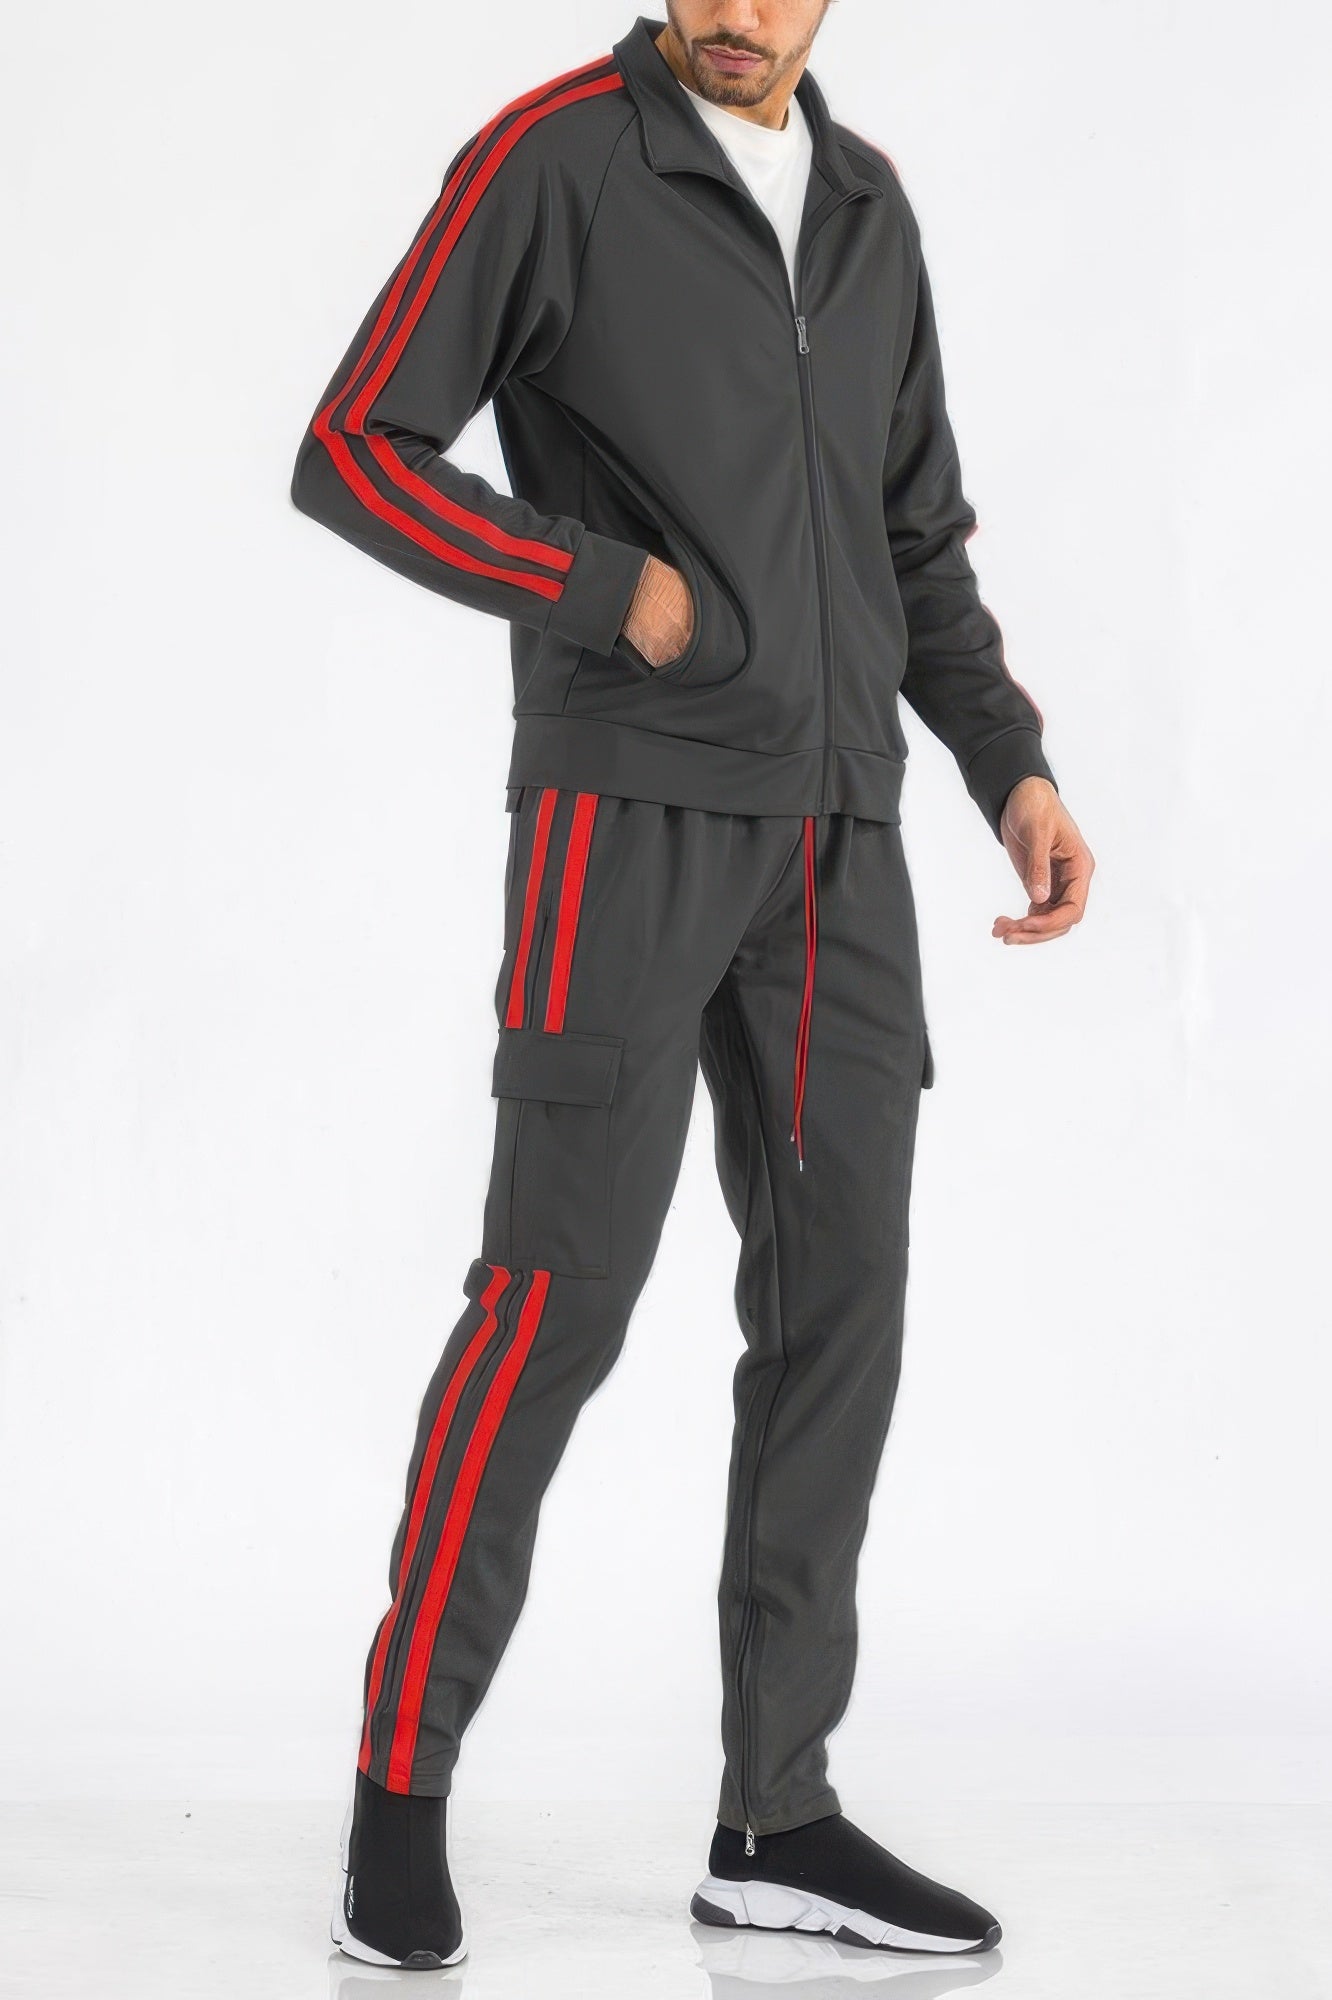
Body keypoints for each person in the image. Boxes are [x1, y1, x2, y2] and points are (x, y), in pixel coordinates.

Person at [291, 3, 1094, 1970]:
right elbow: (354, 450)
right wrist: (593, 586)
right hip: (627, 821)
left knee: (841, 1309)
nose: (736, 11)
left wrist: (1009, 767)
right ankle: (399, 1792)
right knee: (553, 1298)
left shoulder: (870, 207)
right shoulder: (558, 157)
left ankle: (777, 1816)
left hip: (841, 839)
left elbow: (913, 534)